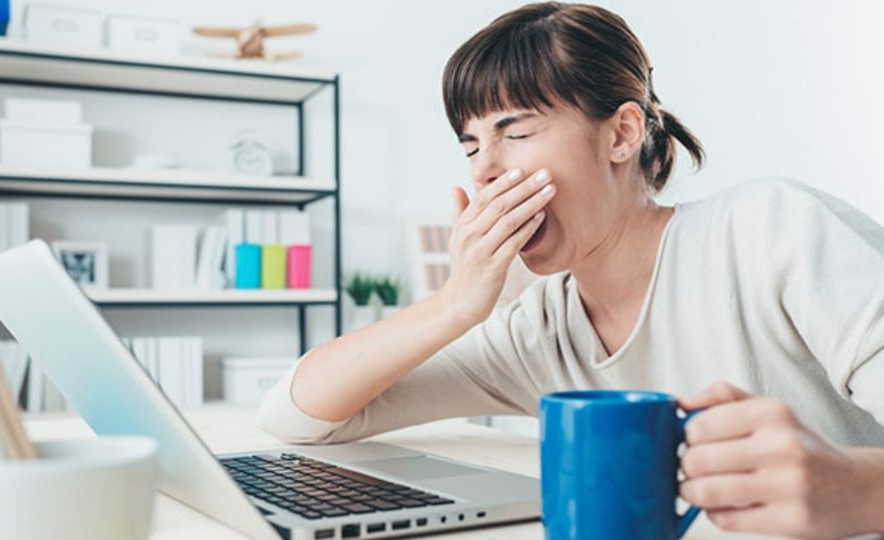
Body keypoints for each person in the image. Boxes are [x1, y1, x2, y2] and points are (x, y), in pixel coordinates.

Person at [258, 3, 884, 537]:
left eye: (517, 131)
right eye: (471, 144)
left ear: (622, 134)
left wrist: (857, 490)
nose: (482, 170)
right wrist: (453, 304)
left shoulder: (772, 230)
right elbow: (299, 416)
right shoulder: (537, 329)